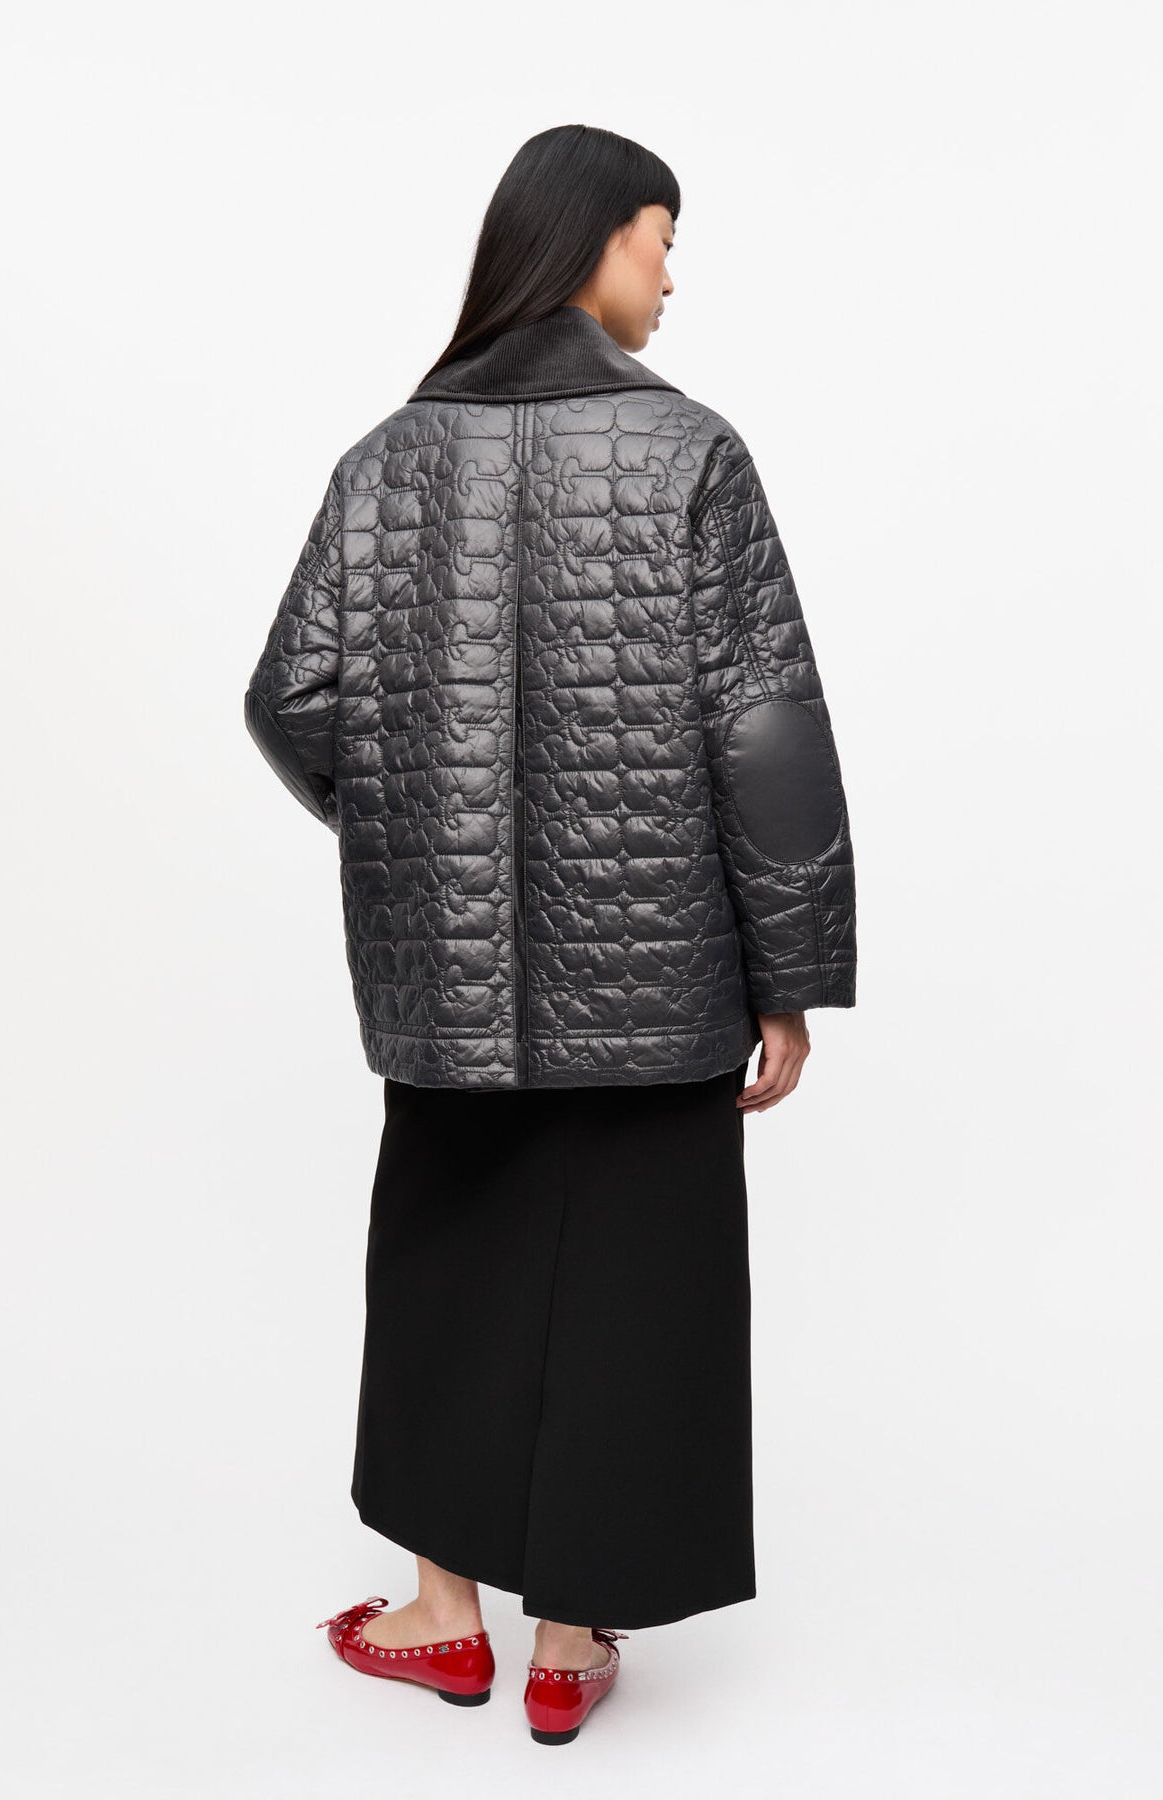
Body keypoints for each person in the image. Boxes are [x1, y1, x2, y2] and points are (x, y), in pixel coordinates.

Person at [243, 122, 856, 1746]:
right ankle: (572, 1640)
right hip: (666, 973)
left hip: (447, 985)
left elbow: (291, 698)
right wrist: (793, 973)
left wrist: (412, 843)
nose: (671, 275)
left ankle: (442, 1619)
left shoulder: (386, 460)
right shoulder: (691, 452)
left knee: (450, 1274)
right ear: (593, 241)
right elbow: (763, 723)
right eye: (663, 238)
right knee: (641, 1283)